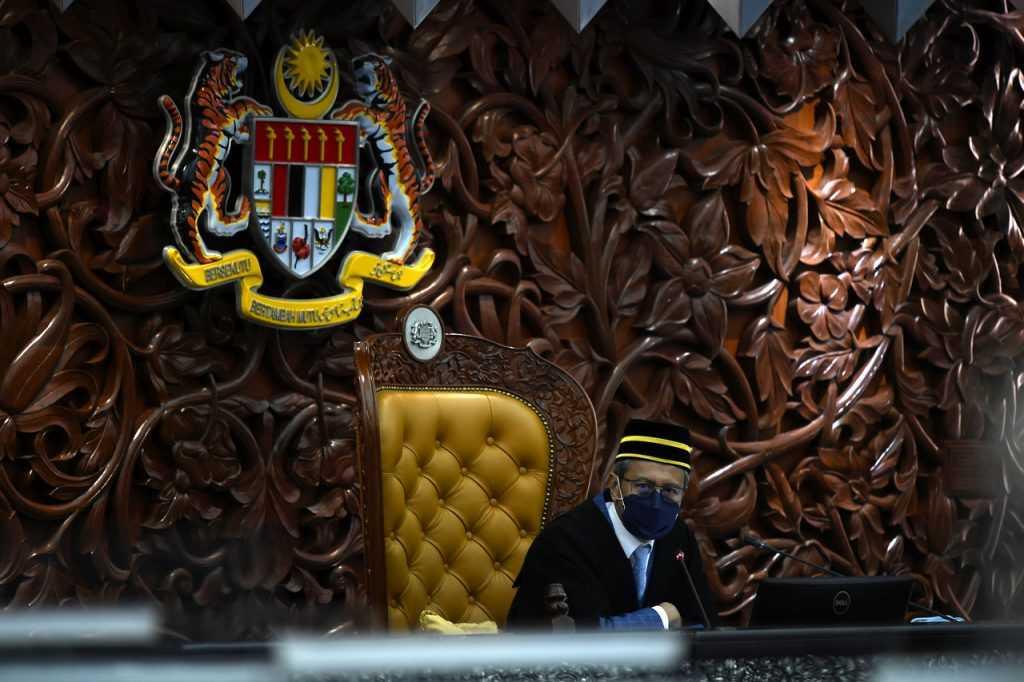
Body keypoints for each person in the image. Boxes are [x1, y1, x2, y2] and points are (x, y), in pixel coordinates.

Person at [507, 419, 717, 630]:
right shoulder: (565, 541)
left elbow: (703, 622)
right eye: (643, 486)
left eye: (671, 490)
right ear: (614, 487)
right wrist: (661, 617)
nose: (656, 502)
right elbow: (579, 637)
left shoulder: (679, 537)